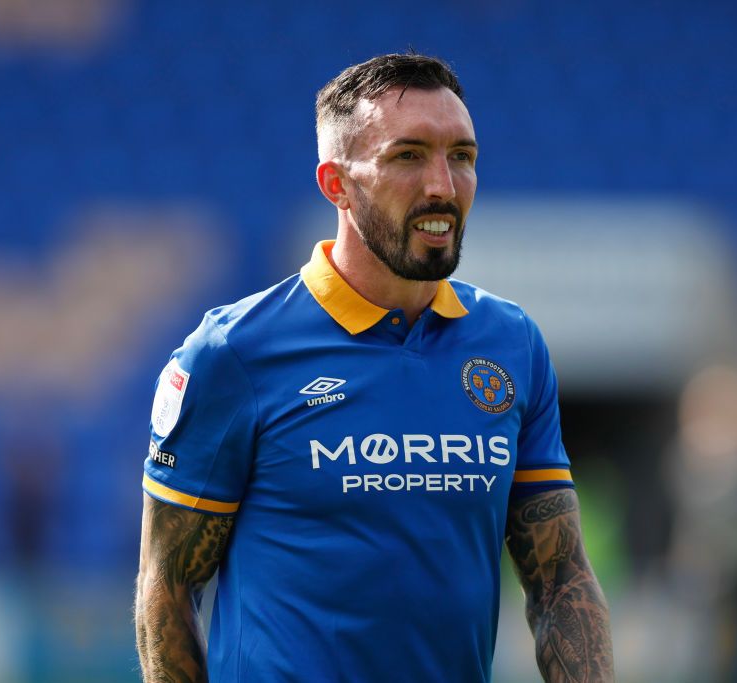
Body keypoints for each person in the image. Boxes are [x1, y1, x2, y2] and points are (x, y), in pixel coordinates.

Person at [134, 53, 614, 682]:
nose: (442, 185)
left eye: (462, 156)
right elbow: (164, 591)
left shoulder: (511, 344)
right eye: (408, 155)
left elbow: (560, 582)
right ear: (336, 184)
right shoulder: (233, 353)